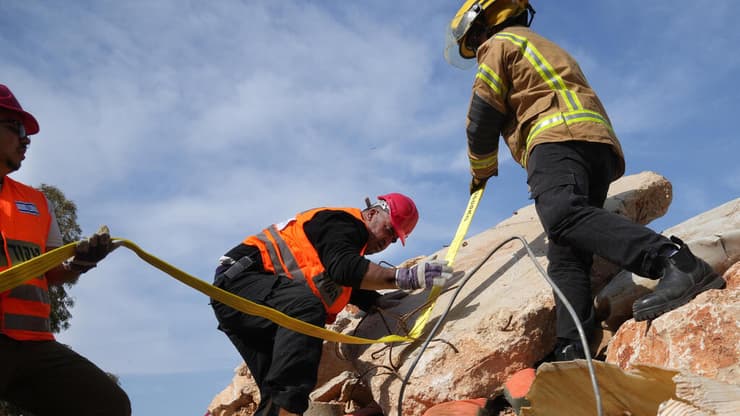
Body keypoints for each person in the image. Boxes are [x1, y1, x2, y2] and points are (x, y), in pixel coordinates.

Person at [443, 1, 725, 360]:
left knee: (561, 214)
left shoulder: (501, 44)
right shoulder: (538, 44)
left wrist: (480, 169)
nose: (478, 43)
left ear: (486, 23)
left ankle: (673, 261)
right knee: (567, 251)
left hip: (555, 138)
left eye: (475, 36)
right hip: (595, 146)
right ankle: (572, 347)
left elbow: (482, 113)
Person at [211, 193, 452, 416]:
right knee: (305, 309)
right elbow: (344, 268)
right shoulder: (342, 223)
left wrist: (373, 300)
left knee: (275, 390)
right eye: (388, 230)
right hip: (241, 282)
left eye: (393, 239)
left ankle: (282, 410)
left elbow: (338, 277)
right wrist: (403, 277)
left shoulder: (345, 243)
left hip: (246, 303)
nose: (386, 242)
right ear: (372, 214)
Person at [0, 84, 131, 415]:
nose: (26, 139)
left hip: (33, 347)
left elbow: (50, 275)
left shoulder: (37, 202)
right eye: (16, 128)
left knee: (107, 405)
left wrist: (79, 263)